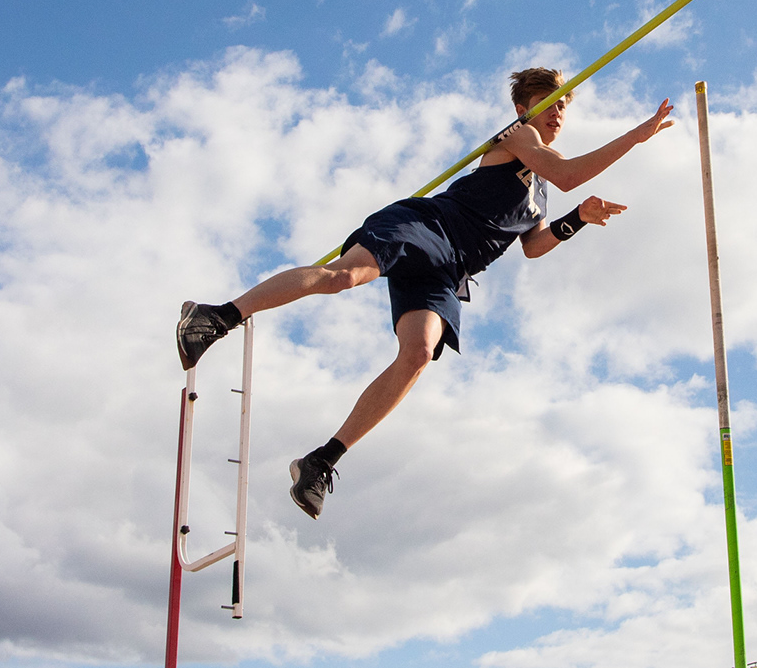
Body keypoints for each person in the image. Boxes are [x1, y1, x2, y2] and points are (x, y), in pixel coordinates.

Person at [175, 67, 675, 520]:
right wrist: (636, 136)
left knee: (417, 354)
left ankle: (320, 461)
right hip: (427, 227)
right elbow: (570, 174)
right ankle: (216, 316)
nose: (561, 112)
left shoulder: (540, 187)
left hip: (451, 269)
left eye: (566, 105)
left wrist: (577, 220)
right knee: (344, 277)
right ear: (526, 109)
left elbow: (534, 246)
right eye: (554, 101)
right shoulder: (518, 137)